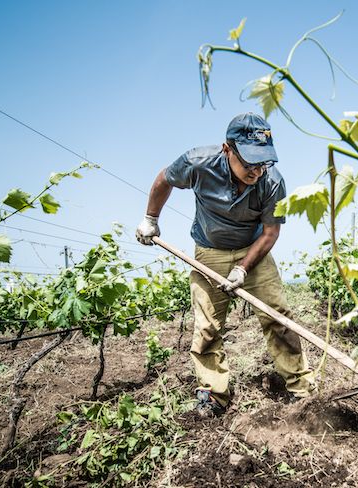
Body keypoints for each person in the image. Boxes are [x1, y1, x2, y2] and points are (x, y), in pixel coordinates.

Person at [135, 112, 316, 416]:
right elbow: (164, 178)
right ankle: (213, 394)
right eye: (249, 163)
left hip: (254, 252)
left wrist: (243, 267)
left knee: (278, 317)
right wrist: (150, 219)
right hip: (210, 251)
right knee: (206, 326)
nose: (257, 171)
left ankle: (301, 388)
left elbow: (271, 232)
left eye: (263, 163)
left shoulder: (272, 182)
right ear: (227, 149)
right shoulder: (198, 163)